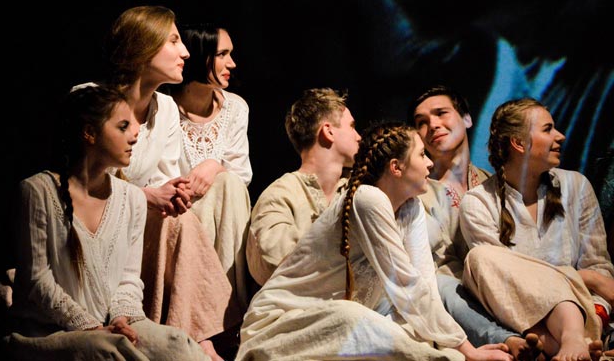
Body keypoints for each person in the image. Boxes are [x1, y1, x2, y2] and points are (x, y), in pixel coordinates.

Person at [237, 121, 513, 361]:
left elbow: (424, 286)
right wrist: (466, 350)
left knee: (407, 326)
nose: (430, 163)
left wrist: (446, 340)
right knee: (351, 318)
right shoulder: (367, 198)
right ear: (396, 167)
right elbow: (405, 285)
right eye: (421, 155)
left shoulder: (412, 207)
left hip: (345, 317)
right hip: (282, 322)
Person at [4, 84, 210, 360]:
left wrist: (121, 318)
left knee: (177, 346)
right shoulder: (38, 192)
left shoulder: (132, 199)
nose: (134, 136)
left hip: (112, 324)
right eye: (123, 127)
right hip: (51, 329)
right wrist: (90, 327)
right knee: (106, 351)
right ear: (90, 133)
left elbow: (128, 279)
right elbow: (37, 281)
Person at [97, 6, 240, 360]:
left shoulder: (165, 110)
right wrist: (147, 196)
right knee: (176, 221)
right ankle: (202, 338)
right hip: (97, 231)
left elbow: (166, 179)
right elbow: (77, 185)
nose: (186, 52)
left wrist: (174, 193)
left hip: (140, 231)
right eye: (174, 41)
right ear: (144, 47)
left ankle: (197, 336)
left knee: (181, 216)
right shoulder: (91, 101)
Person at [459, 97, 614, 360]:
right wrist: (584, 277)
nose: (560, 136)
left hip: (587, 315)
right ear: (519, 144)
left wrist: (595, 321)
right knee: (479, 258)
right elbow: (502, 289)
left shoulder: (576, 186)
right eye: (548, 129)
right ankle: (563, 347)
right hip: (529, 324)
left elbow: (599, 269)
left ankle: (575, 339)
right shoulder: (478, 202)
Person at [409, 85, 542, 359]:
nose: (432, 125)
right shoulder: (417, 193)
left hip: (509, 290)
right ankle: (512, 342)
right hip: (456, 300)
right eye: (421, 122)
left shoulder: (496, 183)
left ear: (467, 119)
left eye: (441, 113)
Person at [165, 23, 252, 315]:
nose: (232, 63)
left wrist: (214, 167)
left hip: (225, 218)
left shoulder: (235, 108)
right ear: (201, 56)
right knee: (226, 187)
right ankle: (219, 312)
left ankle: (230, 308)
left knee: (229, 185)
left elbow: (241, 174)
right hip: (179, 214)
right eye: (222, 54)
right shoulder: (164, 109)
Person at [246, 87, 361, 286]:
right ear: (328, 131)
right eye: (352, 126)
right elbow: (270, 260)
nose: (358, 136)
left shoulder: (359, 190)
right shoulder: (281, 194)